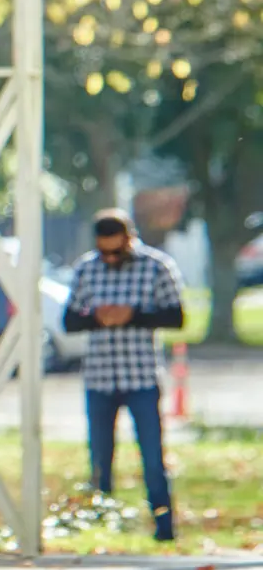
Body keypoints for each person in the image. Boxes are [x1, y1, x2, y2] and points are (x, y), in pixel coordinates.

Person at [63, 207, 183, 541]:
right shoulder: (87, 268)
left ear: (129, 240)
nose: (110, 258)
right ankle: (102, 522)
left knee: (152, 455)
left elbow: (176, 317)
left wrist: (131, 315)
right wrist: (98, 318)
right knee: (100, 456)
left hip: (141, 376)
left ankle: (163, 524)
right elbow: (69, 321)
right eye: (105, 251)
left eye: (116, 251)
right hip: (100, 377)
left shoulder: (156, 266)